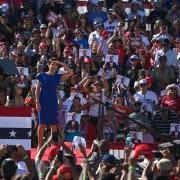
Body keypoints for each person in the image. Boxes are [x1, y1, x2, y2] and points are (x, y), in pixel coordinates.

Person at [35, 59, 73, 149]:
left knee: (53, 124)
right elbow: (37, 90)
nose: (54, 66)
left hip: (53, 102)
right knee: (42, 124)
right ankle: (39, 145)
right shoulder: (41, 75)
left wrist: (61, 63)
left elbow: (71, 72)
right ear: (49, 65)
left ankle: (53, 144)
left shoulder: (58, 76)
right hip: (43, 101)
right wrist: (37, 101)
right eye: (52, 64)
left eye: (56, 65)